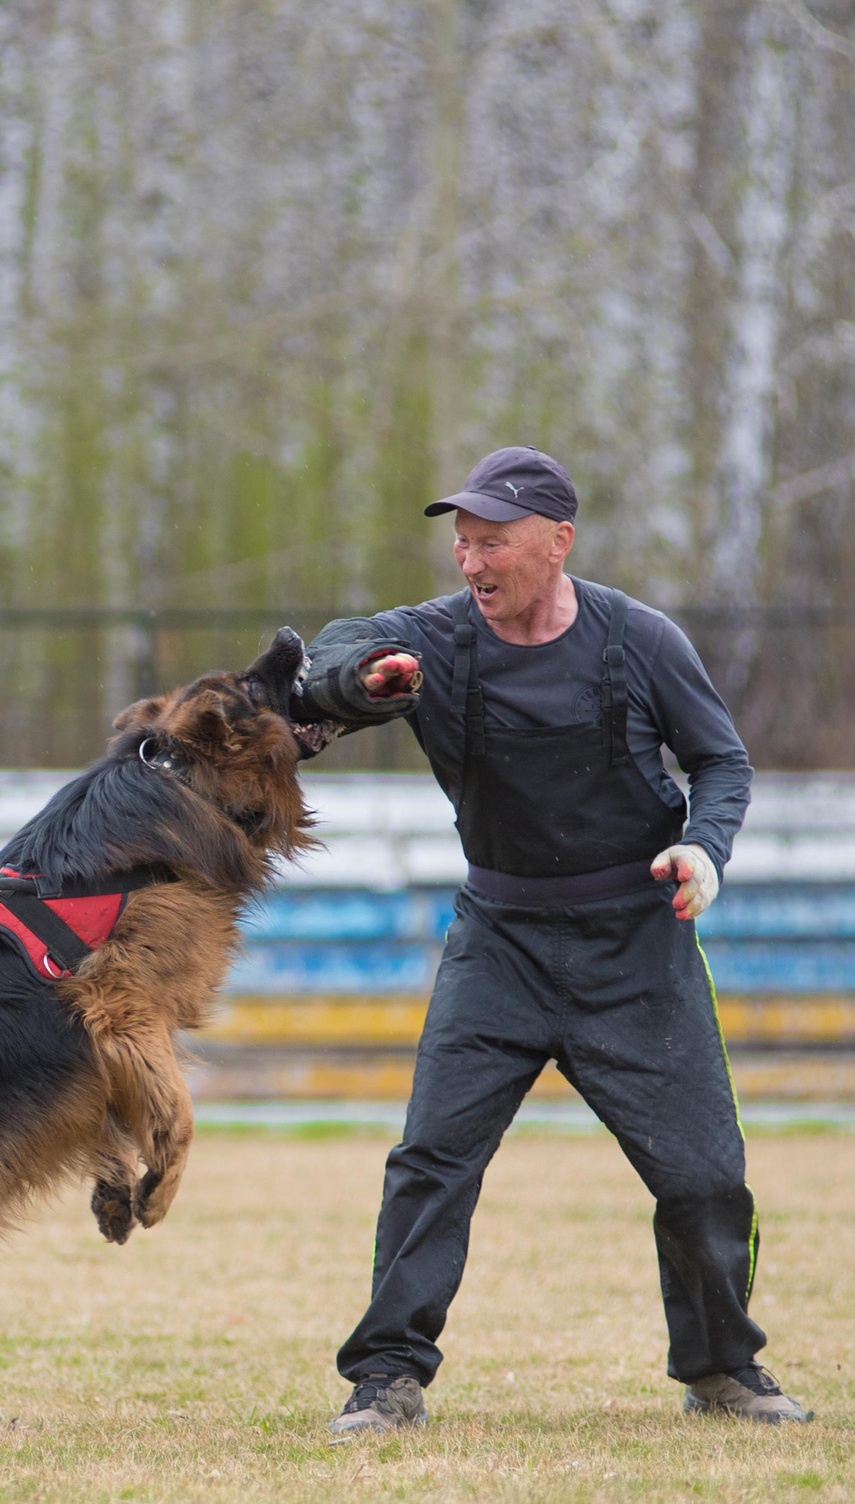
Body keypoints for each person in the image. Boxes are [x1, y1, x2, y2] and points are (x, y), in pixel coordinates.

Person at [288, 446, 811, 1432]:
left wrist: (703, 849)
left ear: (557, 541)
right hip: (500, 942)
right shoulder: (433, 642)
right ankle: (387, 1377)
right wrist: (357, 678)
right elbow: (337, 654)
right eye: (462, 541)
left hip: (636, 941)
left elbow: (722, 761)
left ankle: (721, 1369)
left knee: (703, 1174)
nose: (470, 561)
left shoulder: (641, 639)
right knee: (431, 1161)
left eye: (492, 541)